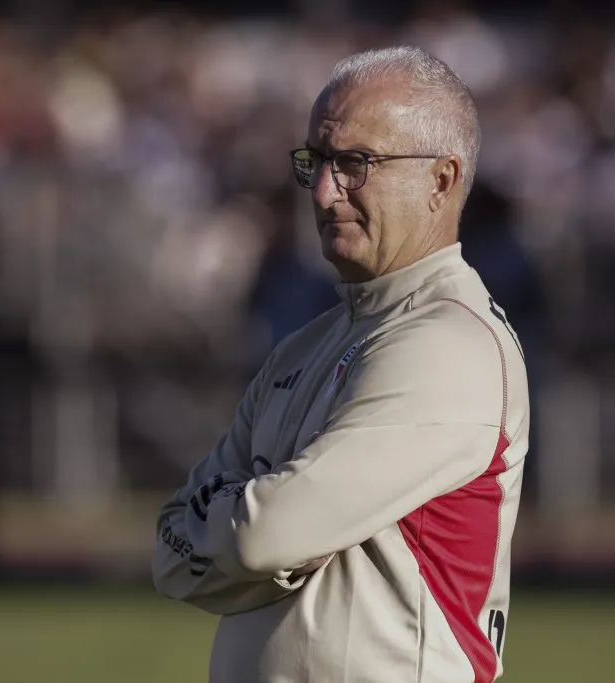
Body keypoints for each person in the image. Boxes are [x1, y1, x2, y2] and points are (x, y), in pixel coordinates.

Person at [152, 45, 529, 683]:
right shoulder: (303, 346)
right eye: (317, 162)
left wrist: (246, 534)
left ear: (442, 178)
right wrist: (266, 536)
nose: (326, 191)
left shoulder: (449, 345)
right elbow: (168, 549)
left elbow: (257, 538)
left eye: (356, 163)